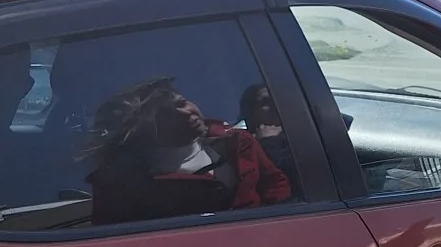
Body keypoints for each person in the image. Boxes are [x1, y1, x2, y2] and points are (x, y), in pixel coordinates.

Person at [85, 78, 292, 225]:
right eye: (168, 113)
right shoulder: (125, 186)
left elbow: (276, 185)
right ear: (146, 129)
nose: (186, 113)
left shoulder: (238, 143)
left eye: (182, 102)